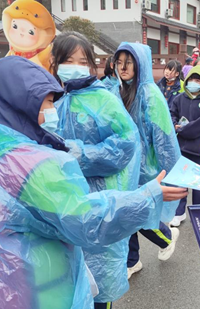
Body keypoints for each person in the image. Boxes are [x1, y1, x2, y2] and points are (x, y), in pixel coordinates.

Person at [0, 56, 186, 309]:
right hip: (34, 289)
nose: (52, 111)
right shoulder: (33, 164)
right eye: (46, 102)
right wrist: (147, 196)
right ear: (20, 104)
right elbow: (89, 221)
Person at [49, 32, 148, 309]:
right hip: (64, 203)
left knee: (98, 284)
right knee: (69, 281)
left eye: (82, 60)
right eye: (68, 60)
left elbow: (126, 144)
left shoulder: (103, 99)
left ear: (92, 64)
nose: (75, 66)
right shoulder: (53, 98)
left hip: (99, 201)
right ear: (55, 62)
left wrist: (81, 154)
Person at [113, 42, 184, 279]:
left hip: (146, 168)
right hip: (124, 167)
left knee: (138, 214)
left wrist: (170, 172)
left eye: (129, 62)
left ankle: (164, 236)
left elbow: (164, 137)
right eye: (119, 62)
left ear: (139, 64)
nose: (123, 67)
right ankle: (132, 260)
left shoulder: (150, 94)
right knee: (126, 213)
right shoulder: (117, 90)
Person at [169, 65, 200, 227]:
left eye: (198, 80)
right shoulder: (179, 98)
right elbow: (172, 114)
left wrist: (183, 130)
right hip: (182, 147)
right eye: (191, 79)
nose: (194, 83)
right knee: (180, 182)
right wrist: (174, 124)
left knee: (199, 184)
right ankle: (179, 212)